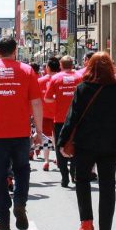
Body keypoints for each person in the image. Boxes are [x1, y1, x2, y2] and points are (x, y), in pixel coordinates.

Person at [58, 53, 116, 230]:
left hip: (85, 143)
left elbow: (71, 118)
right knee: (108, 186)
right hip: (111, 144)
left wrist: (62, 141)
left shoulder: (83, 88)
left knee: (82, 180)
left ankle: (86, 223)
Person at [0, 37, 43, 230]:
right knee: (22, 170)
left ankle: (3, 219)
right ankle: (19, 201)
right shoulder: (27, 71)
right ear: (15, 50)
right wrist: (38, 131)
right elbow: (37, 103)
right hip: (20, 133)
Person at [45, 56, 82, 187]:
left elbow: (47, 99)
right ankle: (73, 172)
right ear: (72, 64)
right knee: (76, 146)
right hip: (77, 119)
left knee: (60, 147)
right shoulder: (80, 77)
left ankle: (64, 176)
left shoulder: (55, 78)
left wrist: (58, 98)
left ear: (60, 65)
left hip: (60, 119)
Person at [38, 57, 60, 171]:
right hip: (59, 114)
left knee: (46, 138)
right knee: (58, 138)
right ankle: (58, 158)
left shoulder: (40, 81)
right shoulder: (60, 79)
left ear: (48, 68)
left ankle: (46, 161)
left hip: (44, 114)